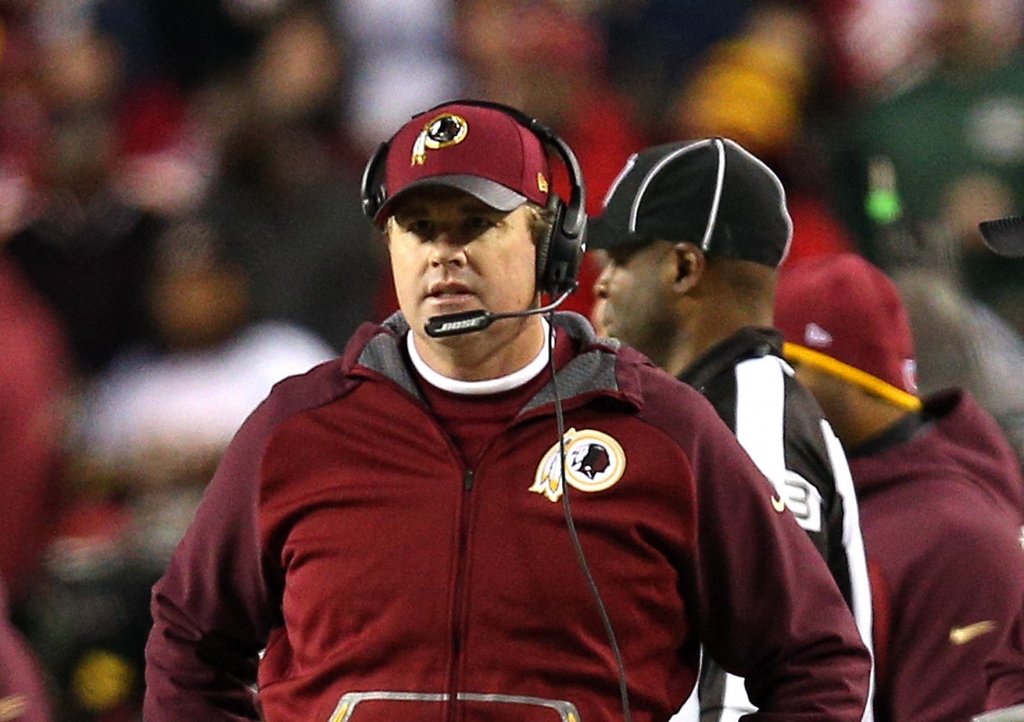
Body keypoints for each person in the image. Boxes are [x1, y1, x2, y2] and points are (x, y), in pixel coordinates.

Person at [144, 100, 872, 721]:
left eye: (474, 223)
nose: (443, 254)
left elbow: (814, 656)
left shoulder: (662, 431)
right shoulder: (296, 430)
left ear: (549, 241)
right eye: (419, 228)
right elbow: (191, 643)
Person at [588, 137, 874, 721]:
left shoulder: (750, 416)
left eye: (619, 259)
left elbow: (753, 685)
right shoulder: (713, 407)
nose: (601, 283)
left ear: (684, 266)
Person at [773, 252, 1024, 722]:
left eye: (785, 367)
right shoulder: (837, 496)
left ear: (852, 377)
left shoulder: (954, 537)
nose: (766, 388)